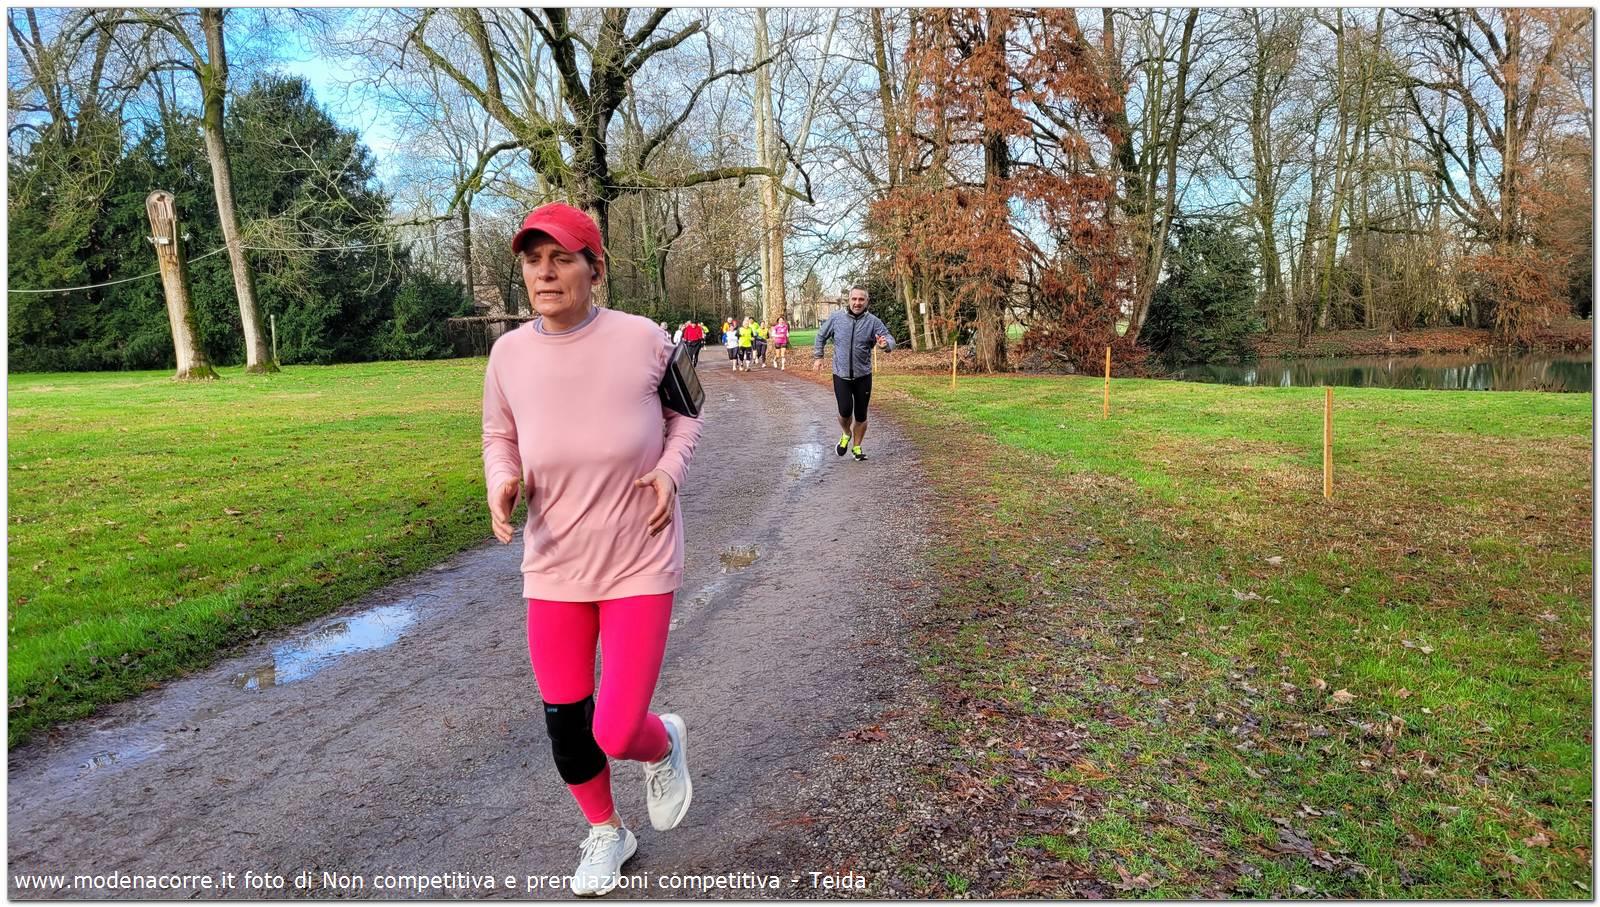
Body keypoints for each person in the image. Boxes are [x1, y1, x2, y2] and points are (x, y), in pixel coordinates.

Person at [482, 202, 702, 897]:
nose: (544, 273)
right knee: (567, 728)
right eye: (533, 260)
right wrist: (500, 480)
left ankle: (662, 742)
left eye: (561, 258)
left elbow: (686, 415)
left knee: (615, 728)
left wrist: (669, 471)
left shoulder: (645, 338)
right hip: (554, 563)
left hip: (639, 557)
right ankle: (608, 831)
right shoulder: (508, 354)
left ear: (594, 269)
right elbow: (499, 435)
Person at [813, 285, 894, 461]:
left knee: (861, 415)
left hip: (863, 375)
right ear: (848, 300)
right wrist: (818, 357)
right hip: (841, 374)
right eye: (854, 299)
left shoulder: (873, 321)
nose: (857, 303)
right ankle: (846, 433)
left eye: (861, 299)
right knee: (844, 412)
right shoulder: (836, 318)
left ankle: (857, 447)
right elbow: (821, 336)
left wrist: (885, 344)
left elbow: (889, 338)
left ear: (867, 301)